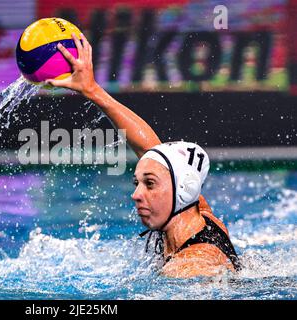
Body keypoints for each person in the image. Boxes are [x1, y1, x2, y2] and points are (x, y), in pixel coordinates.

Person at [44, 33, 241, 278]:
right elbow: (151, 149)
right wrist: (92, 90)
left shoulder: (192, 268)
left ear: (183, 190)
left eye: (149, 184)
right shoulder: (193, 213)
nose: (136, 195)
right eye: (138, 183)